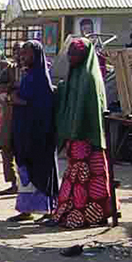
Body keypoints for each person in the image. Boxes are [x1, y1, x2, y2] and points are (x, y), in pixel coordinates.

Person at [52, 38, 113, 228]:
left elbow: (90, 111)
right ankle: (74, 213)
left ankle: (87, 215)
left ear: (84, 55)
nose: (70, 57)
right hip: (76, 138)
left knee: (86, 179)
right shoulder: (75, 74)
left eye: (74, 54)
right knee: (76, 178)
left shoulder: (89, 78)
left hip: (87, 138)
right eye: (69, 53)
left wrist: (77, 131)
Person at [8, 42, 59, 222]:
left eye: (27, 54)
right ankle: (26, 209)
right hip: (24, 133)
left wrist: (18, 100)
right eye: (22, 54)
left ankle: (48, 209)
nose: (23, 57)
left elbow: (41, 106)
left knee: (41, 172)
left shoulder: (40, 79)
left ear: (36, 55)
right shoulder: (27, 76)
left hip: (38, 135)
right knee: (25, 171)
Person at [0, 55, 20, 195]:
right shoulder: (10, 70)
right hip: (10, 115)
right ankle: (13, 183)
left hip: (28, 118)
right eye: (16, 51)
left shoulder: (35, 70)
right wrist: (11, 89)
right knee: (7, 148)